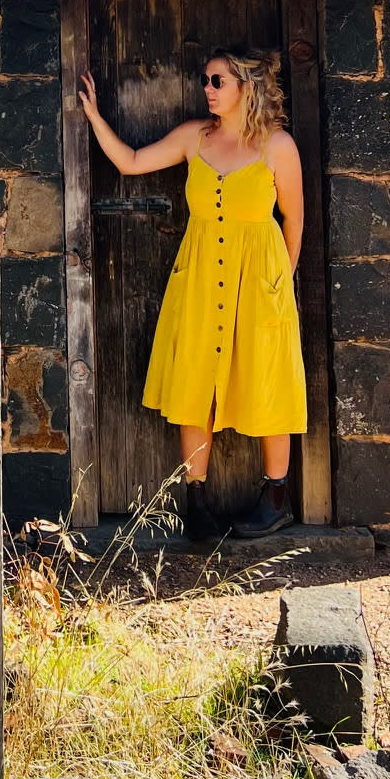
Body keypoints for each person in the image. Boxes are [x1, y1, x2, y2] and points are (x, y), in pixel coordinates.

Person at [77, 47, 306, 542]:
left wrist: (279, 283)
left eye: (217, 81)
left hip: (258, 282)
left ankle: (276, 497)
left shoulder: (277, 146)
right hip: (199, 279)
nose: (207, 88)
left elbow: (294, 218)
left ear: (246, 87)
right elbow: (132, 161)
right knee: (193, 385)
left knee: (265, 380)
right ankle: (196, 500)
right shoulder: (193, 138)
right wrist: (94, 116)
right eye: (205, 79)